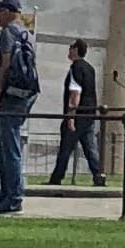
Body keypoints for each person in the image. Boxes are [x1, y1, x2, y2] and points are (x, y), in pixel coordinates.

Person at [0, 0, 40, 215]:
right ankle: (7, 194)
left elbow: (6, 62)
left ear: (8, 12)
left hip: (10, 97)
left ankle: (13, 197)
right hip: (24, 95)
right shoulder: (28, 33)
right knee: (1, 146)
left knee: (9, 147)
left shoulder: (9, 32)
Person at [50, 38, 104, 186]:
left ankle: (56, 178)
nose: (69, 51)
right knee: (90, 148)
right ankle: (99, 176)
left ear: (75, 50)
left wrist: (71, 116)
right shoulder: (90, 68)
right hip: (90, 113)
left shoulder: (76, 68)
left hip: (78, 114)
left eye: (70, 48)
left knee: (66, 147)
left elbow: (75, 93)